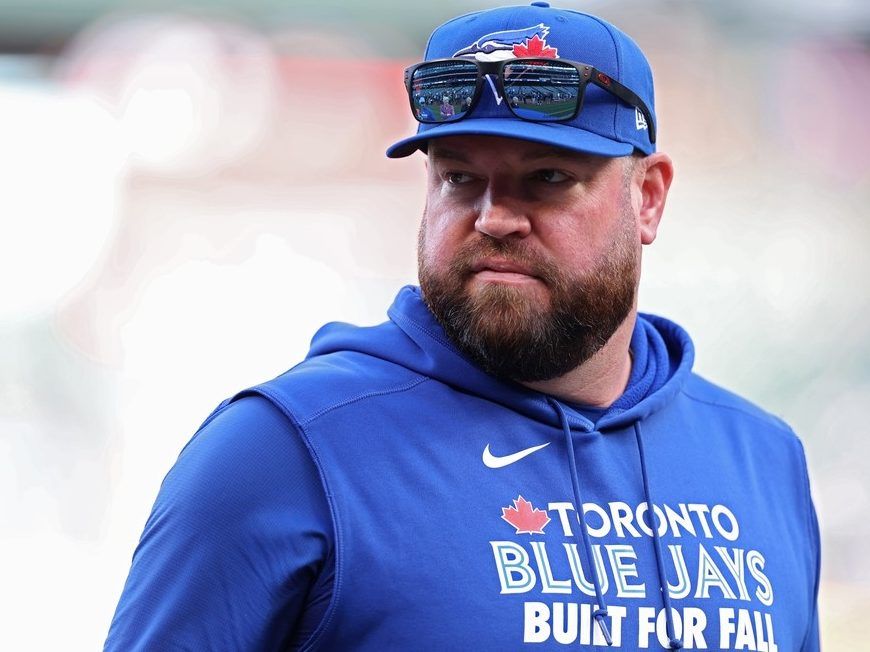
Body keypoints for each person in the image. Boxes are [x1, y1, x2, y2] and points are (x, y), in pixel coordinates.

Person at [105, 3, 821, 650]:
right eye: (458, 178)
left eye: (546, 177)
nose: (494, 217)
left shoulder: (760, 458)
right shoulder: (285, 450)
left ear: (649, 199)